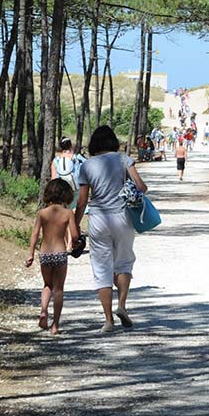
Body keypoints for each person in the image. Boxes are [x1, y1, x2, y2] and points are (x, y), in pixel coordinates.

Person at [74, 125, 148, 334]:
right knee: (124, 263)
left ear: (94, 144)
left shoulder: (87, 165)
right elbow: (141, 187)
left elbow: (81, 202)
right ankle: (122, 305)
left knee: (101, 269)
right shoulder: (123, 159)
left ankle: (108, 320)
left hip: (98, 219)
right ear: (113, 141)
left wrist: (75, 225)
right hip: (123, 217)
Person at [25, 179, 77, 335]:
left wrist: (31, 253)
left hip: (45, 254)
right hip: (60, 254)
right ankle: (55, 325)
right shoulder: (67, 213)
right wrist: (75, 242)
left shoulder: (42, 213)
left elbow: (35, 233)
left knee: (47, 285)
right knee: (59, 289)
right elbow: (74, 235)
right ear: (66, 194)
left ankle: (43, 311)